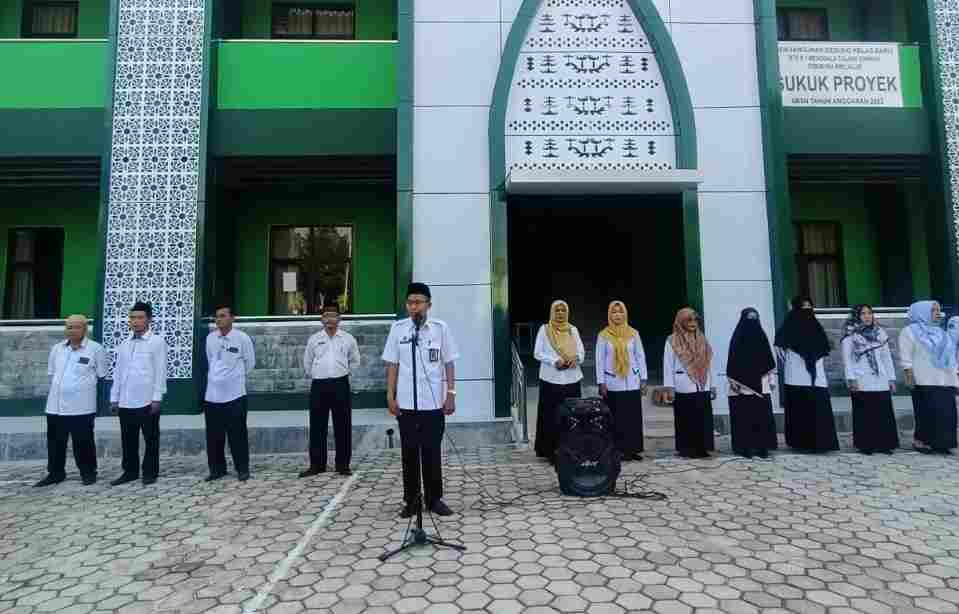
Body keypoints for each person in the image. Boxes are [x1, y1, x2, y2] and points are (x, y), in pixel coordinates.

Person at [383, 283, 459, 518]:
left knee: (431, 451)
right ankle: (412, 500)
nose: (414, 306)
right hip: (406, 403)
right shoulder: (399, 329)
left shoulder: (440, 329)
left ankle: (434, 499)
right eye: (410, 302)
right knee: (409, 453)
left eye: (419, 302)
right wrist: (390, 395)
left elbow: (449, 363)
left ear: (429, 304)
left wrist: (451, 394)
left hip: (433, 403)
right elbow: (393, 364)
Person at [34, 315, 108, 487]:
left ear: (84, 329)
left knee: (83, 441)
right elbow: (52, 373)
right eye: (68, 327)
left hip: (81, 406)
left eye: (75, 327)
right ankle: (55, 473)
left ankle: (88, 472)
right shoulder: (57, 349)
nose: (71, 330)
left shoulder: (95, 349)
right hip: (55, 406)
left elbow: (102, 374)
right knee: (55, 442)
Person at [109, 301, 168, 485]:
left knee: (151, 439)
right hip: (126, 400)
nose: (135, 321)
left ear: (149, 320)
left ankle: (150, 472)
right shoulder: (125, 344)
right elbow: (118, 372)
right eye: (133, 317)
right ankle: (130, 472)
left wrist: (157, 398)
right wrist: (114, 397)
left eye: (140, 317)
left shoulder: (157, 342)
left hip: (147, 400)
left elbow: (160, 371)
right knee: (128, 439)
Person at [300, 304, 361, 477]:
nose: (329, 319)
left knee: (343, 425)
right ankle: (317, 465)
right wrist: (316, 374)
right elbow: (307, 362)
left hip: (340, 384)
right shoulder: (314, 339)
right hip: (319, 386)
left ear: (339, 319)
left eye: (333, 316)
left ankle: (343, 465)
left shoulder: (348, 339)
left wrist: (346, 373)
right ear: (322, 319)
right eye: (326, 316)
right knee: (317, 426)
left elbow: (355, 360)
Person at [774, 296, 839, 453]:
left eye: (809, 307)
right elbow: (779, 350)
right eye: (803, 307)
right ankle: (801, 444)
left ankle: (822, 443)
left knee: (819, 410)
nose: (807, 311)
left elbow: (823, 349)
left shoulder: (816, 328)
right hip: (796, 378)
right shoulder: (787, 329)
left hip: (817, 379)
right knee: (801, 412)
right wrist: (794, 358)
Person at [204, 304, 256, 482]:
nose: (219, 319)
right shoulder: (210, 338)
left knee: (237, 434)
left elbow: (250, 363)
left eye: (223, 316)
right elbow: (210, 360)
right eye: (217, 316)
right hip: (212, 396)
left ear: (232, 318)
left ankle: (242, 468)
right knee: (214, 435)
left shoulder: (242, 338)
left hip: (235, 395)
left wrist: (234, 378)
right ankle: (217, 469)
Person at [899, 300, 957, 454]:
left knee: (946, 413)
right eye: (934, 310)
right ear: (922, 312)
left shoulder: (942, 332)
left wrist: (955, 376)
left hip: (944, 379)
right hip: (922, 379)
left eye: (939, 310)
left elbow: (951, 357)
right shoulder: (909, 331)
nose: (938, 313)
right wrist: (909, 375)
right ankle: (921, 441)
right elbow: (906, 356)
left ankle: (943, 443)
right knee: (926, 413)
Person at [841, 304, 899, 455]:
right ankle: (866, 444)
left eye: (869, 313)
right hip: (862, 379)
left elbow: (886, 358)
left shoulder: (880, 333)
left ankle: (885, 444)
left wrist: (891, 378)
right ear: (856, 316)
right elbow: (847, 360)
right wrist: (851, 379)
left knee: (883, 413)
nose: (867, 316)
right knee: (865, 415)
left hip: (880, 379)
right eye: (863, 313)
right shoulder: (850, 335)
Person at [533, 300, 585, 462]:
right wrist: (554, 360)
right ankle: (551, 451)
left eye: (563, 310)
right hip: (551, 379)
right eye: (557, 310)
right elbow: (537, 353)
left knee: (571, 417)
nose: (561, 313)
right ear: (552, 312)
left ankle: (571, 450)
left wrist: (576, 359)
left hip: (571, 379)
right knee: (551, 416)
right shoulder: (545, 329)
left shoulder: (572, 330)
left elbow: (581, 352)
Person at [596, 300, 648, 461]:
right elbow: (599, 360)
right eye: (614, 312)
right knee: (615, 418)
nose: (617, 315)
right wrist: (601, 382)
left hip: (631, 382)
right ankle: (616, 450)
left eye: (620, 312)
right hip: (612, 383)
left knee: (632, 418)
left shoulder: (634, 333)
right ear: (609, 315)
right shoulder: (604, 335)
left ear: (625, 314)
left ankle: (633, 449)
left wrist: (643, 378)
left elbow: (640, 356)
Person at [663, 307, 716, 458]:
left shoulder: (702, 339)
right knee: (685, 419)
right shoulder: (672, 340)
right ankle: (686, 449)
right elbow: (667, 365)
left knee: (703, 418)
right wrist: (669, 387)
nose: (693, 323)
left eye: (695, 320)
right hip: (683, 386)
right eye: (689, 320)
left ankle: (703, 448)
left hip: (702, 385)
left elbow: (709, 363)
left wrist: (712, 385)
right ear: (681, 321)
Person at [726, 307, 779, 459]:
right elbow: (732, 362)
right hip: (742, 387)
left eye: (754, 318)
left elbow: (768, 362)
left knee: (762, 418)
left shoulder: (762, 337)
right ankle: (745, 448)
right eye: (749, 318)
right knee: (744, 418)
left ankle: (763, 447)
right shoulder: (736, 338)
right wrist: (733, 382)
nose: (752, 321)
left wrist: (771, 380)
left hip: (762, 385)